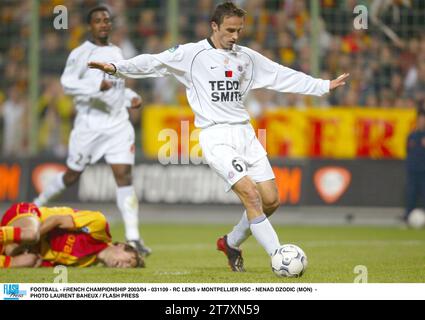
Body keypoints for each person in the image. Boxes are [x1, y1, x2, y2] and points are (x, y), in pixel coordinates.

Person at [89, 2, 349, 272]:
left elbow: (280, 75)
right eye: (229, 30)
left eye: (239, 30)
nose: (235, 36)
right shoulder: (191, 54)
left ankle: (231, 242)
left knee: (271, 200)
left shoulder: (246, 57)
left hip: (245, 133)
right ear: (214, 26)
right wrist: (116, 67)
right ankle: (279, 256)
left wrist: (322, 85)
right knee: (250, 194)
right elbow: (153, 62)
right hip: (216, 136)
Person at [33, 6, 151, 257]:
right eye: (98, 21)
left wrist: (130, 96)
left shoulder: (116, 51)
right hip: (89, 126)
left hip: (118, 125)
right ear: (90, 26)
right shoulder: (80, 54)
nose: (104, 24)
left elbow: (117, 88)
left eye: (107, 20)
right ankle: (35, 206)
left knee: (124, 176)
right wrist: (97, 84)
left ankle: (134, 236)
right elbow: (67, 84)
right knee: (71, 176)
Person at [0, 203, 144, 268]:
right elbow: (55, 220)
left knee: (25, 260)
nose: (124, 266)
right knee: (31, 235)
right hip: (31, 216)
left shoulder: (85, 263)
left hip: (26, 244)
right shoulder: (99, 225)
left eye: (128, 267)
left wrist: (35, 261)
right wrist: (25, 244)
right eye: (128, 260)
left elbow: (49, 261)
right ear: (122, 245)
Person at [405, 104, 425, 221]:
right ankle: (408, 217)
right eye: (420, 120)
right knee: (410, 196)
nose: (422, 122)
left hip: (424, 172)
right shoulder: (411, 136)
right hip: (412, 171)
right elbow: (407, 151)